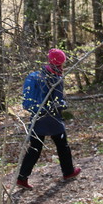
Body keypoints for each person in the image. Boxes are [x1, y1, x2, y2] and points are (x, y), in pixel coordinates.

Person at [16, 48, 81, 190]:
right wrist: (64, 105)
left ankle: (22, 177)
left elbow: (29, 100)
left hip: (36, 117)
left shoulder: (35, 76)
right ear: (61, 63)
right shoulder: (56, 78)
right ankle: (68, 172)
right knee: (62, 144)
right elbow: (57, 102)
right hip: (51, 118)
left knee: (35, 148)